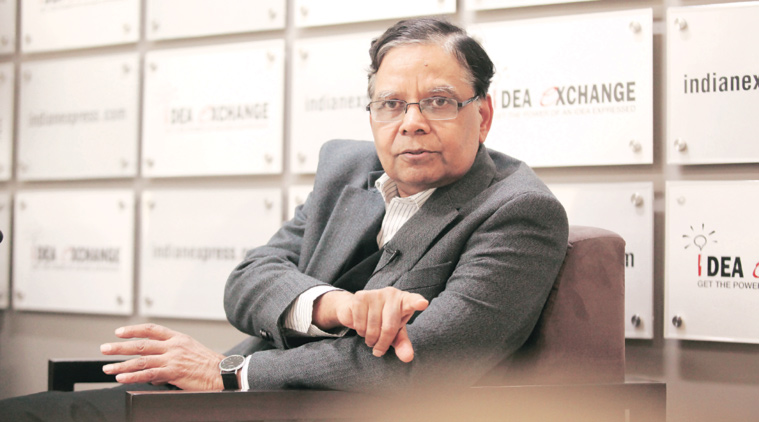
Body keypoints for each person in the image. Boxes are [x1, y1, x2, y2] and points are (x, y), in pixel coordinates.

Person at [0, 17, 568, 420]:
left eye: (439, 101)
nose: (411, 122)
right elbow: (248, 282)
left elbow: (420, 365)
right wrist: (335, 306)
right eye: (391, 104)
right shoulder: (347, 168)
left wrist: (228, 374)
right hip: (234, 397)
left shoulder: (518, 212)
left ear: (483, 114)